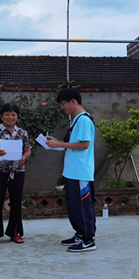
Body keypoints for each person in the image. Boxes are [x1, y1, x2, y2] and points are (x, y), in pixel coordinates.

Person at [46, 88, 97, 252]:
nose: (62, 108)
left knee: (83, 207)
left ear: (73, 101)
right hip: (72, 172)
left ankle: (88, 240)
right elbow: (72, 144)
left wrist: (59, 144)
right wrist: (56, 142)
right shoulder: (76, 120)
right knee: (74, 207)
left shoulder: (83, 120)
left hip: (80, 172)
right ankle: (80, 234)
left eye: (63, 104)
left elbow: (84, 144)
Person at [0, 103, 32, 246]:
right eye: (7, 114)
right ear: (2, 116)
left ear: (17, 117)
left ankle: (15, 232)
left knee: (16, 202)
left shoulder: (22, 133)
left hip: (17, 171)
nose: (10, 117)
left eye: (13, 114)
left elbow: (28, 150)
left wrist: (24, 157)